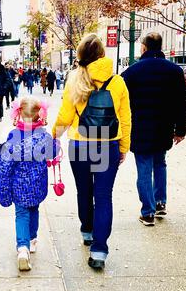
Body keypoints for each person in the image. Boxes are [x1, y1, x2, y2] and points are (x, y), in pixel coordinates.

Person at [53, 34, 132, 271]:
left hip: (79, 144)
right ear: (101, 54)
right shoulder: (117, 82)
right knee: (104, 196)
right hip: (107, 145)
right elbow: (126, 118)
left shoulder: (74, 80)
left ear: (80, 55)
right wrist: (124, 147)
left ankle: (87, 230)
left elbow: (65, 117)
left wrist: (53, 135)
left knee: (84, 192)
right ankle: (99, 251)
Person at [122, 33, 186, 227]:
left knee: (144, 168)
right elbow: (180, 103)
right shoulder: (175, 71)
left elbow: (122, 103)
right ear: (160, 46)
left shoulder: (132, 72)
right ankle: (160, 202)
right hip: (163, 127)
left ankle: (148, 212)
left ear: (143, 47)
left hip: (140, 128)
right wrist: (180, 130)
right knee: (160, 164)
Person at [0, 98, 59, 271]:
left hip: (18, 186)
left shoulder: (13, 137)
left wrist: (3, 189)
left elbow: (6, 166)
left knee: (21, 214)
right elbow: (53, 152)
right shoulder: (43, 136)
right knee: (34, 210)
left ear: (19, 115)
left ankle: (22, 248)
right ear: (39, 115)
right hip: (37, 185)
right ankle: (32, 240)